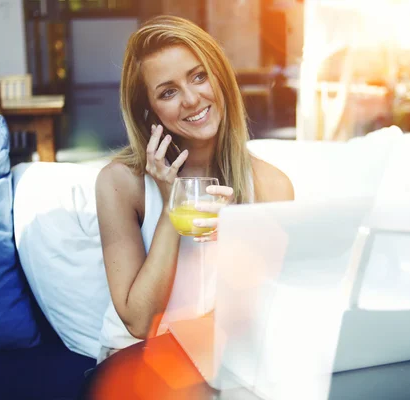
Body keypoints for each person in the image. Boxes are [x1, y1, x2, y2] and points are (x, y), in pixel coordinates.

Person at [95, 16, 294, 363]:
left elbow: (259, 316)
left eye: (199, 76)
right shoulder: (120, 183)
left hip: (218, 361)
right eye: (168, 92)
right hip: (135, 362)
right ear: (149, 111)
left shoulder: (272, 185)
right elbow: (140, 322)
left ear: (220, 77)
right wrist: (174, 204)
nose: (191, 99)